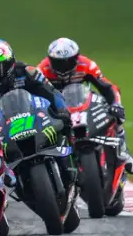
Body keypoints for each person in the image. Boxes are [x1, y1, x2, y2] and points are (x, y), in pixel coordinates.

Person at [38, 37, 131, 170]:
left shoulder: (87, 65)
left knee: (117, 116)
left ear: (77, 58)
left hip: (82, 104)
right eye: (59, 63)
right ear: (50, 60)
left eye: (69, 62)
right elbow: (35, 95)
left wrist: (116, 104)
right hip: (58, 109)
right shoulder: (42, 70)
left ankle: (124, 153)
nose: (64, 67)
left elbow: (108, 87)